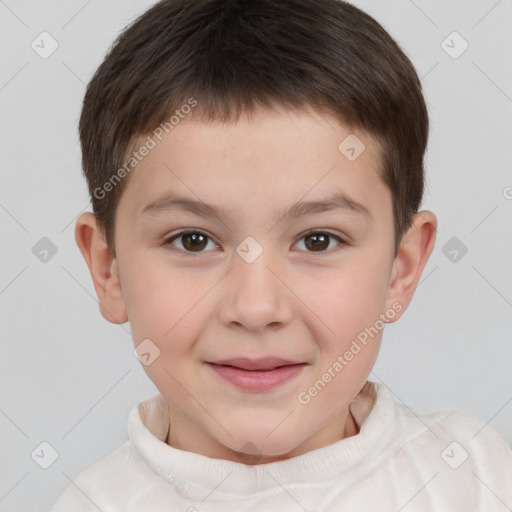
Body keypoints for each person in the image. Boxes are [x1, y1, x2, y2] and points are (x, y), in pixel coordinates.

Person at [49, 0, 512, 510]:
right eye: (193, 240)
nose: (256, 308)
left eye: (318, 240)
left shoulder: (475, 478)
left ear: (400, 269)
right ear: (108, 270)